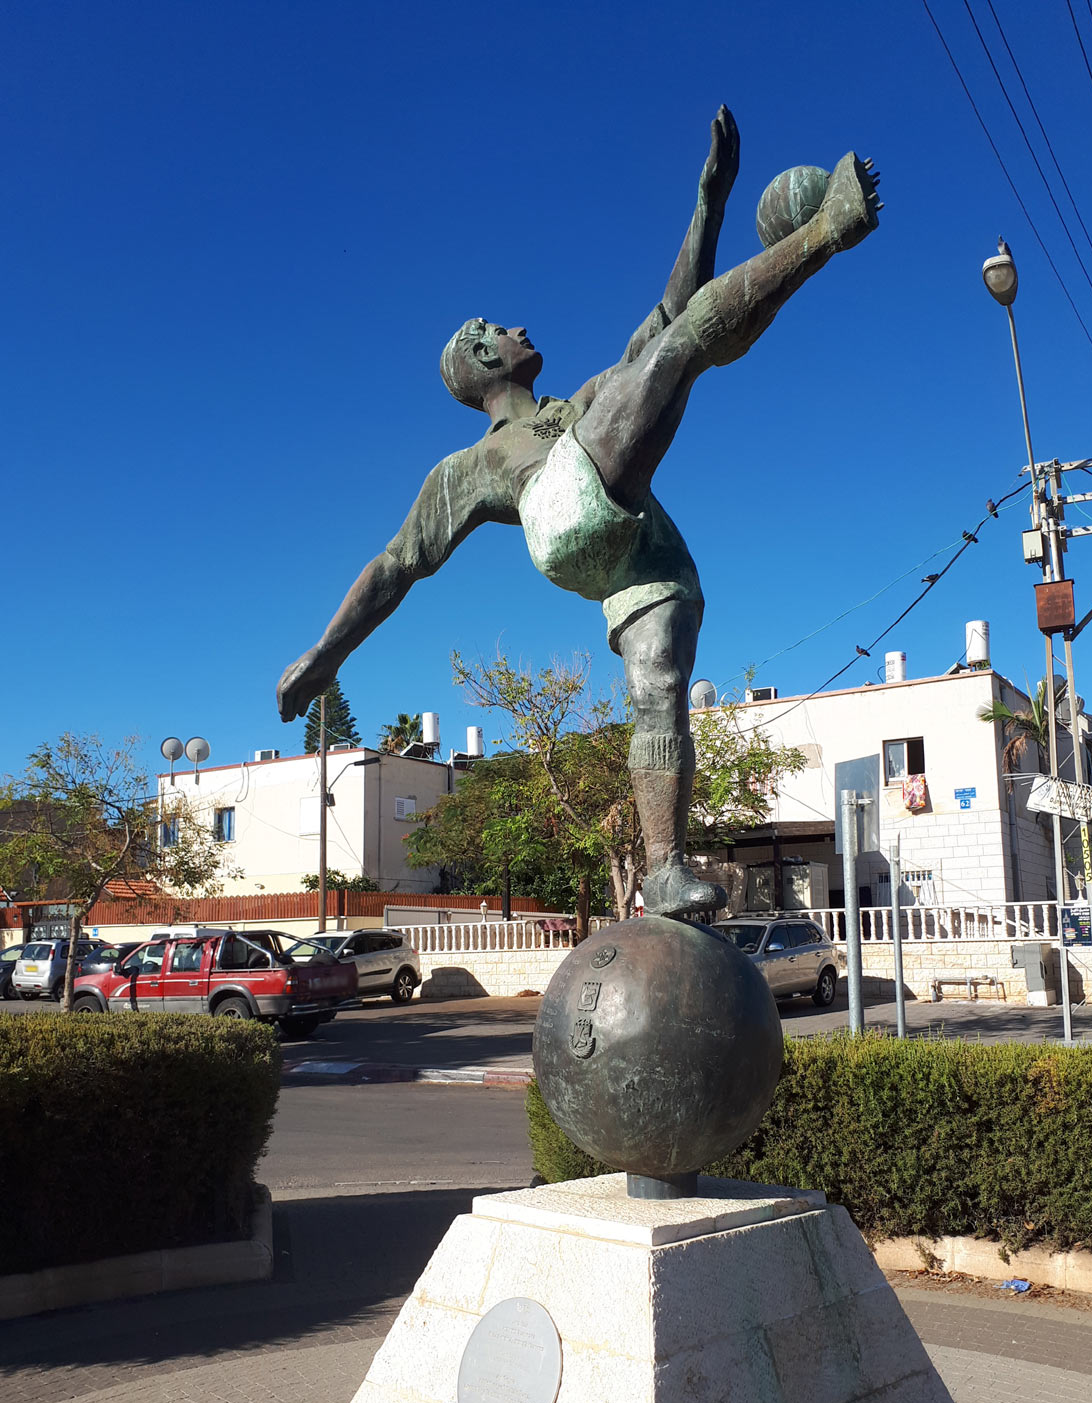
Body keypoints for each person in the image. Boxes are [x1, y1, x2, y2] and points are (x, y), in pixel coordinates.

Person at [278, 107, 880, 917]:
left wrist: (710, 201)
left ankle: (664, 869)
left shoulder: (588, 401)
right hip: (562, 509)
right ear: (484, 359)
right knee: (682, 349)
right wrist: (324, 656)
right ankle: (828, 233)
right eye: (501, 328)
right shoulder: (470, 465)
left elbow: (671, 311)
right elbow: (395, 565)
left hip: (637, 552)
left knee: (660, 689)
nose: (520, 328)